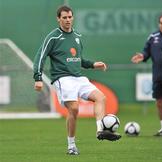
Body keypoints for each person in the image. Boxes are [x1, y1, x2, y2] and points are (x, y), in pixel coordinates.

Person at [33, 5, 121, 155]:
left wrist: (93, 64)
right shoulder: (53, 37)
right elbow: (40, 56)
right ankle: (71, 146)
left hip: (79, 78)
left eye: (69, 17)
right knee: (74, 109)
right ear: (58, 19)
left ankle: (101, 131)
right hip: (62, 78)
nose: (67, 20)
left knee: (101, 97)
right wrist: (38, 77)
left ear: (72, 17)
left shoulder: (78, 36)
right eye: (64, 17)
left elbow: (78, 59)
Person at [131, 15, 162, 137]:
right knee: (158, 102)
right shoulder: (153, 37)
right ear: (159, 24)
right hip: (157, 74)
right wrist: (142, 56)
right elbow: (146, 51)